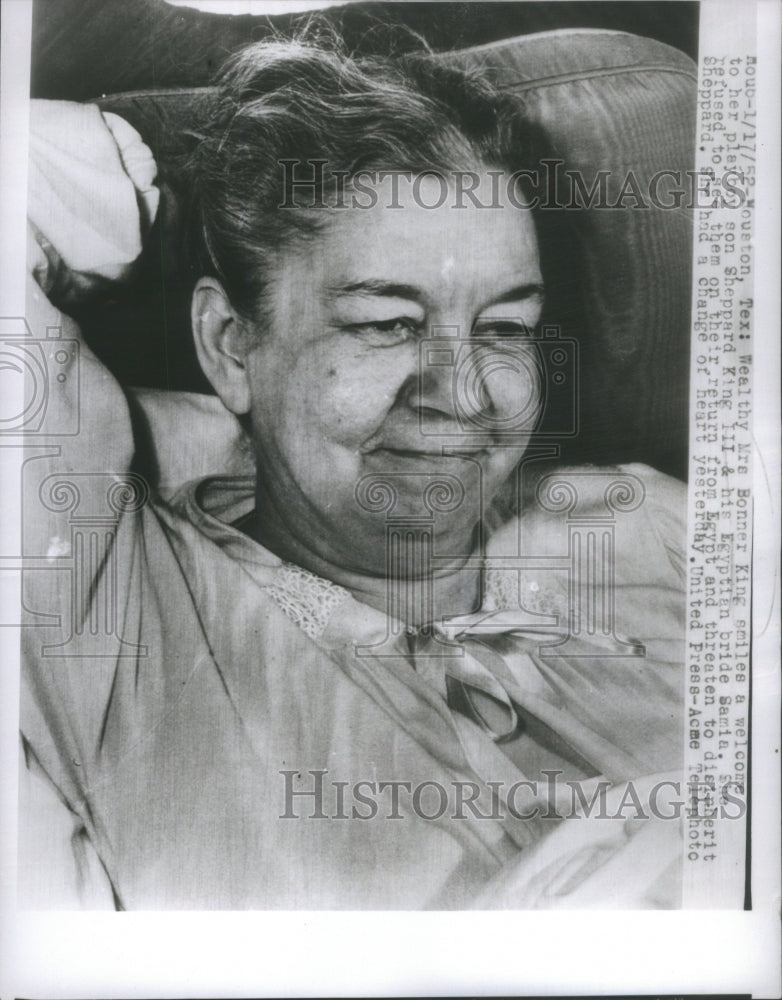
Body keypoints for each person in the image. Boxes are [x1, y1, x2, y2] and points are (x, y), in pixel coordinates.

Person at [19, 32, 686, 909]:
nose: (465, 395)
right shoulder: (112, 606)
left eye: (505, 328)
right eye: (387, 324)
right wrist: (160, 181)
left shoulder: (650, 527)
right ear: (230, 344)